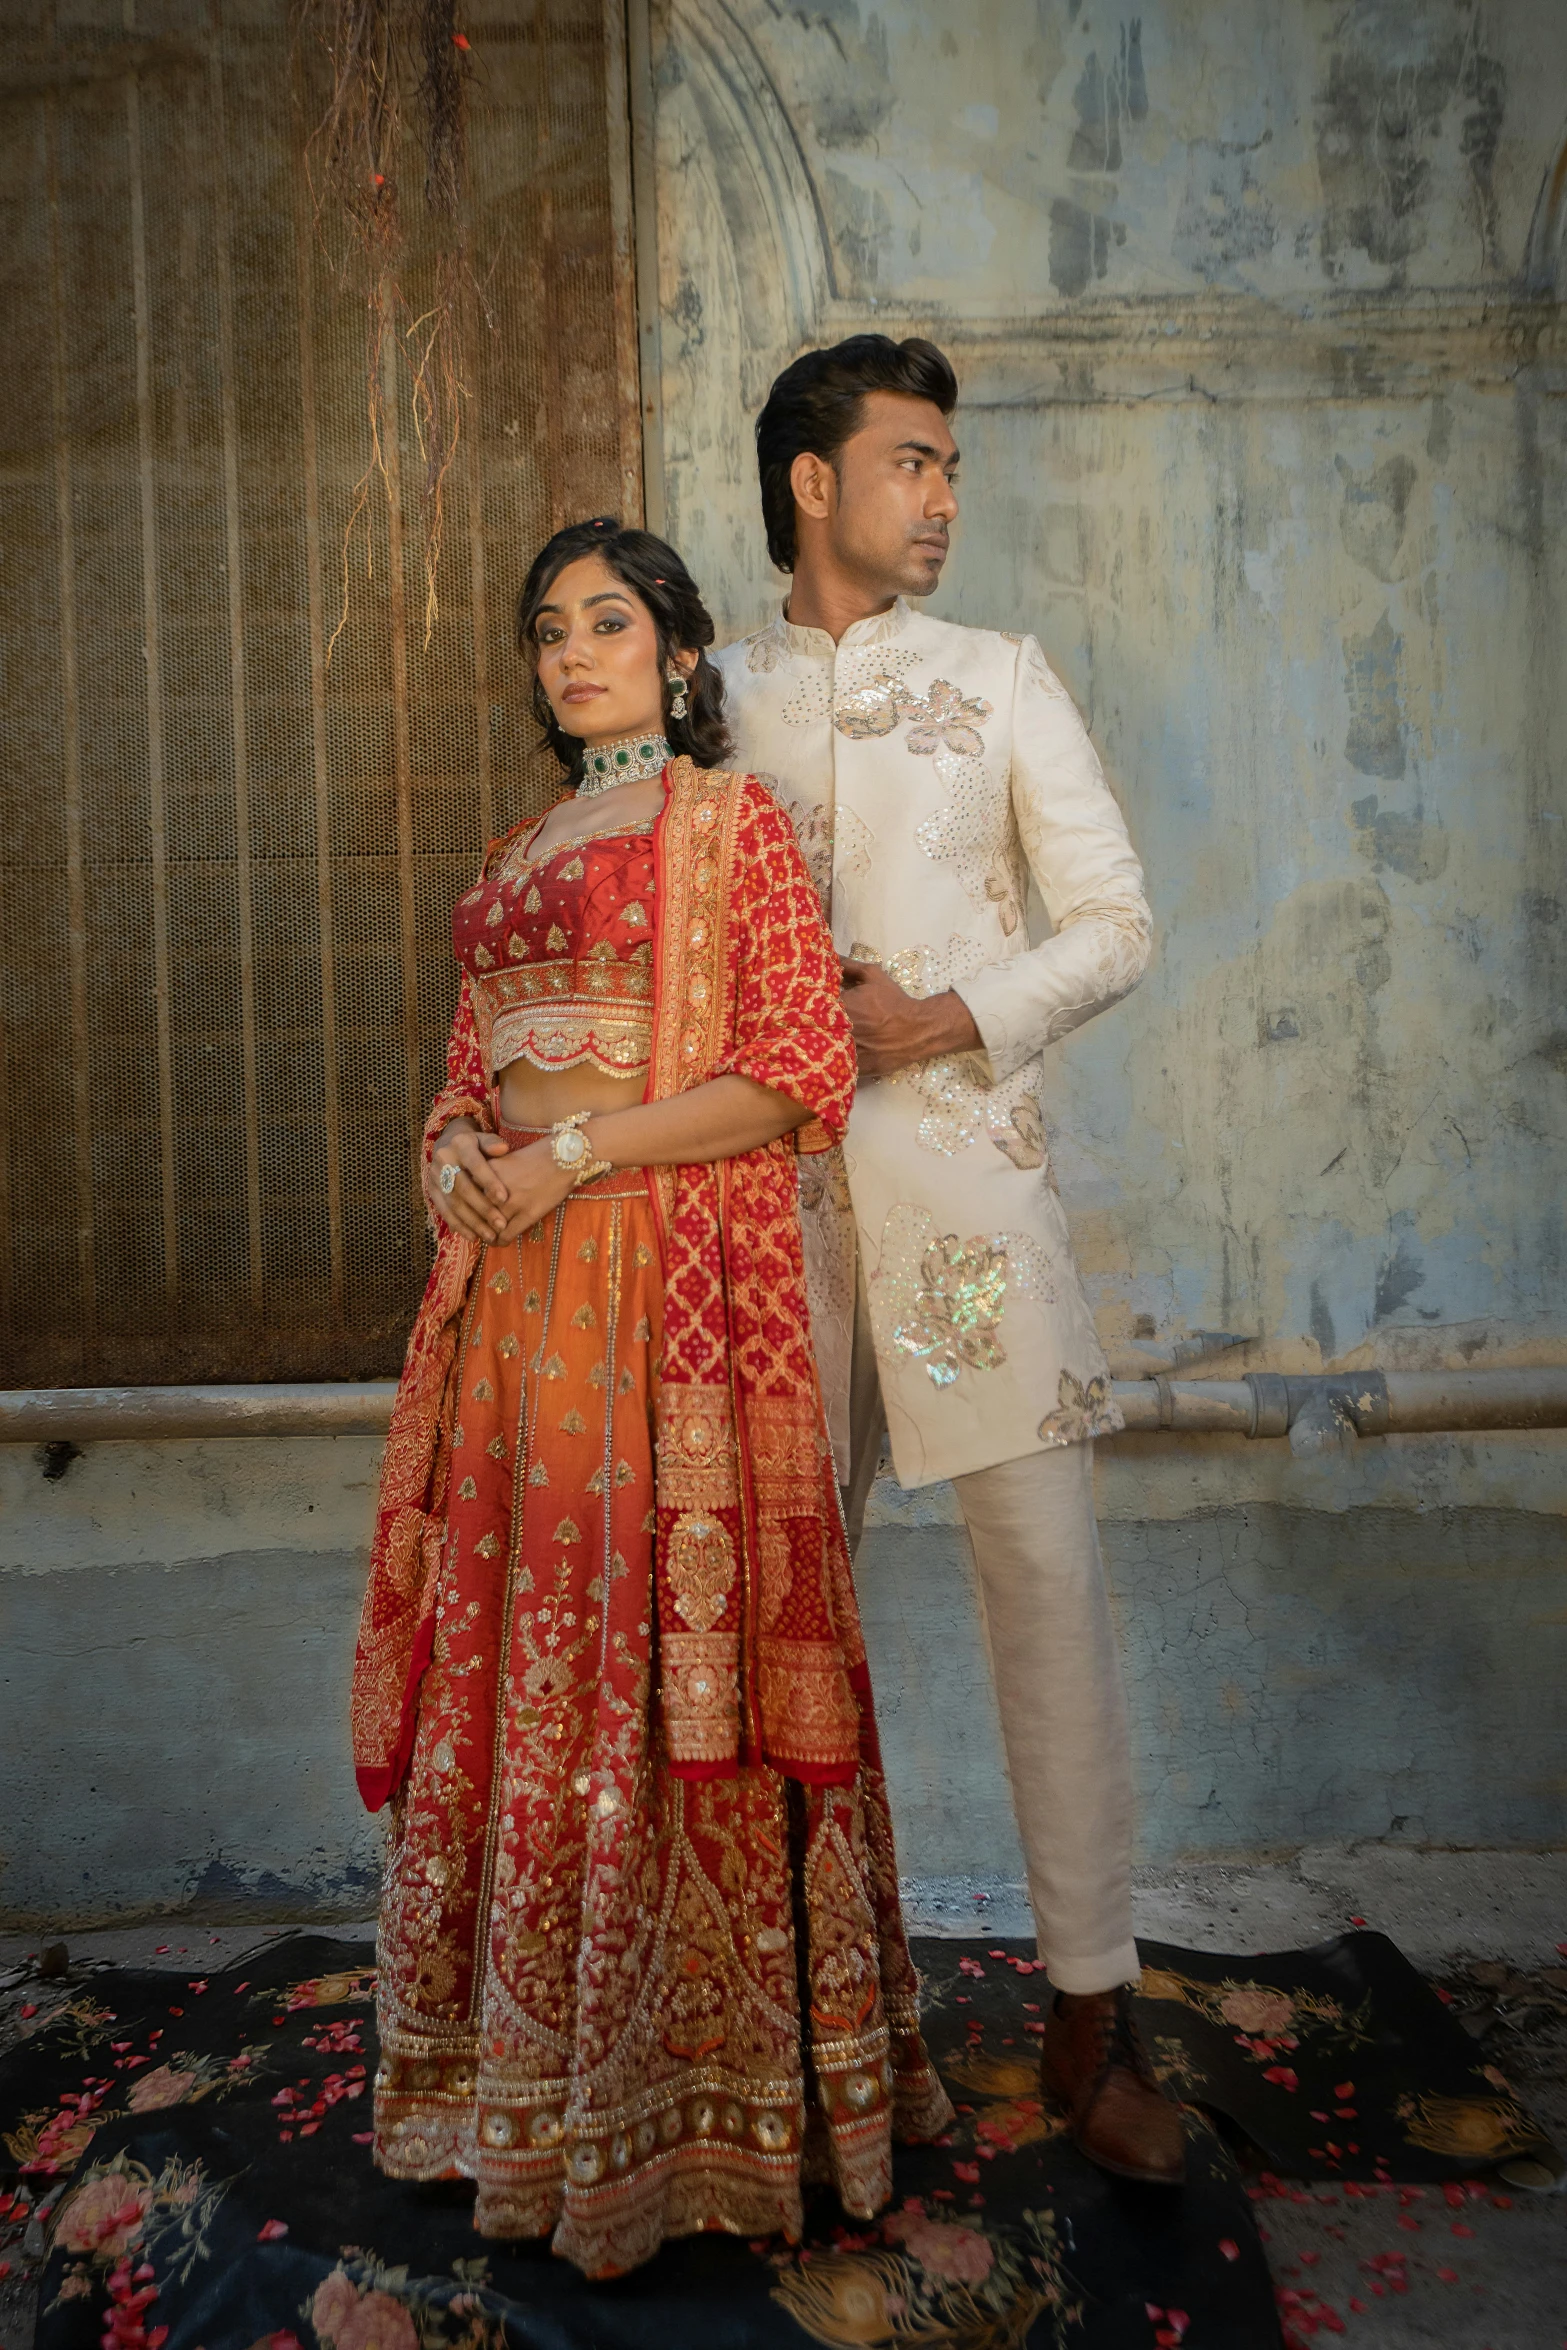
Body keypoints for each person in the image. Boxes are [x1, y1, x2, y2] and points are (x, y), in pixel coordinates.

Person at [349, 518, 950, 2278]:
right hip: (516, 1316)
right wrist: (458, 1148)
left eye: (607, 621)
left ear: (681, 654)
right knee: (528, 1662)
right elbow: (467, 1073)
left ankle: (699, 2100)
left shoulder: (727, 825)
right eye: (547, 630)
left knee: (648, 1659)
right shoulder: (522, 842)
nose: (571, 652)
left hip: (654, 1298)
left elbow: (793, 1070)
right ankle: (505, 2089)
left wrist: (578, 1152)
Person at [713, 337, 1182, 2186]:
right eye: (913, 461)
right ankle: (779, 2007)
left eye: (952, 466)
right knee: (758, 1612)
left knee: (1040, 1582)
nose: (944, 496)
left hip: (960, 1229)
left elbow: (1119, 920)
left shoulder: (997, 682)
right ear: (813, 483)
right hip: (757, 1233)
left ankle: (1091, 2010)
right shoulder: (713, 694)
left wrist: (949, 1014)